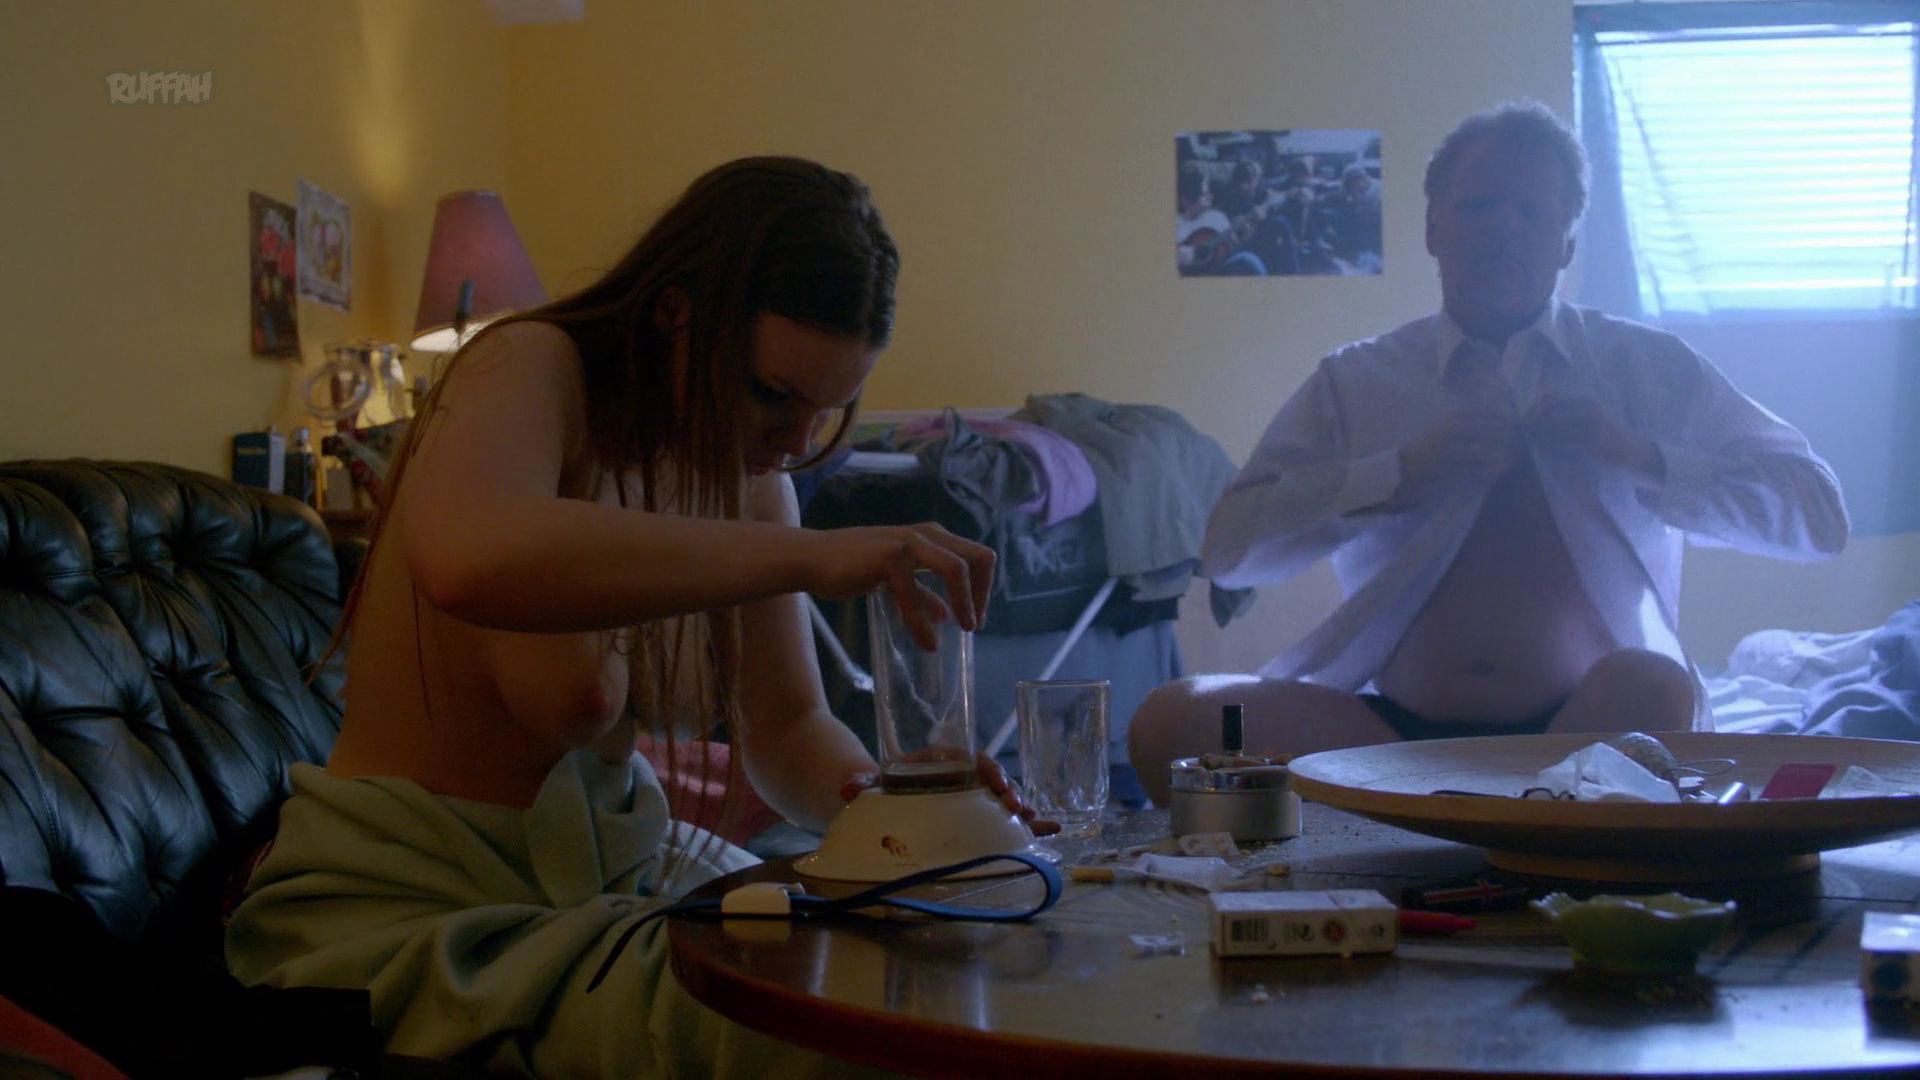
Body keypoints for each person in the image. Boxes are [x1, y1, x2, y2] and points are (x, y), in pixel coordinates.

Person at [226, 157, 1040, 1078]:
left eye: (828, 410)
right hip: (417, 921)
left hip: (613, 887)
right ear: (676, 317)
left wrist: (898, 809)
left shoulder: (750, 479)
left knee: (942, 961)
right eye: (774, 395)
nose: (795, 443)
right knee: (843, 1031)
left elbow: (788, 731)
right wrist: (813, 555)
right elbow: (470, 558)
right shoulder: (525, 364)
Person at [1129, 101, 1848, 807]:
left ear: (1567, 242)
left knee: (1655, 685)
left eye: (1532, 211)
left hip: (1589, 731)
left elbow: (1819, 518)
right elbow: (1228, 552)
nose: (1505, 225)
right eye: (1479, 205)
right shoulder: (1357, 380)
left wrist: (1637, 455)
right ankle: (1505, 819)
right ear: (1433, 228)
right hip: (1382, 736)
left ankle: (1477, 816)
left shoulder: (1646, 368)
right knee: (1173, 721)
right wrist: (1397, 475)